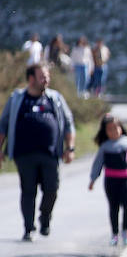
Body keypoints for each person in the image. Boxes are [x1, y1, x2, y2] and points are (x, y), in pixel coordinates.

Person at [0, 64, 75, 241]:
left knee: (52, 189)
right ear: (31, 78)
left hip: (50, 153)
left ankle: (45, 217)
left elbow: (68, 122)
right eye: (42, 76)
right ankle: (28, 228)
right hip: (24, 154)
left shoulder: (55, 98)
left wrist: (69, 148)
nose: (46, 80)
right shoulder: (17, 98)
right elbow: (3, 125)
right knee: (28, 190)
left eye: (47, 76)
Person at [88, 113, 127, 247]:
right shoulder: (105, 146)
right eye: (110, 129)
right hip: (110, 181)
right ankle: (115, 234)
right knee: (113, 207)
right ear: (105, 131)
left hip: (126, 180)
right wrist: (93, 179)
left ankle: (126, 231)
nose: (114, 131)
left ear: (121, 127)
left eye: (116, 127)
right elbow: (97, 164)